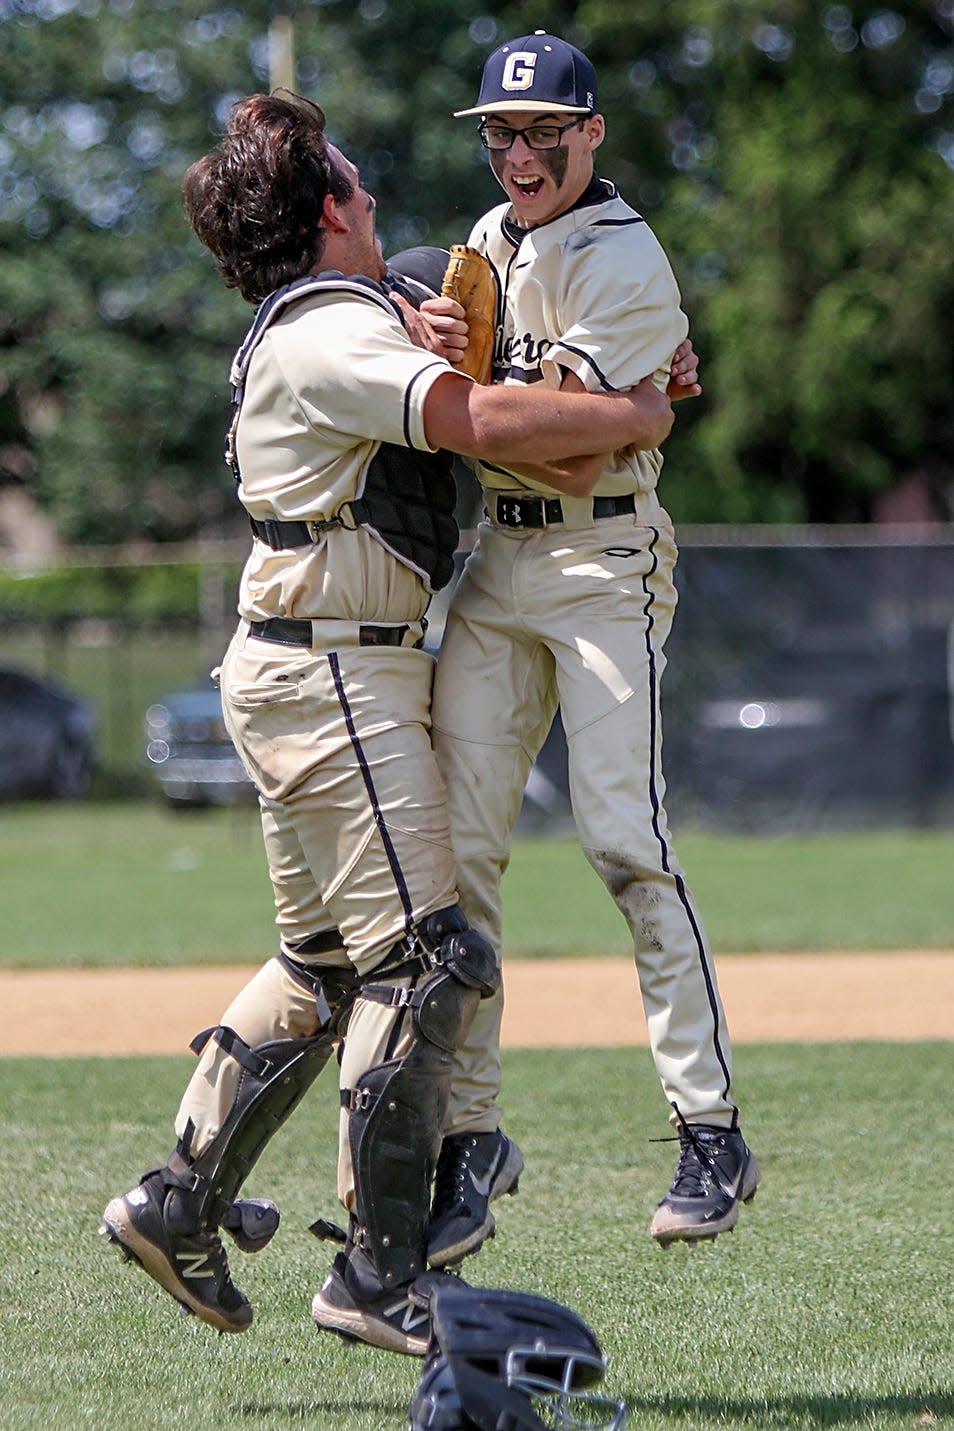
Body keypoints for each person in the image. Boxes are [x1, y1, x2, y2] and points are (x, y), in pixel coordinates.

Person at [99, 92, 676, 1356]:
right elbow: (482, 424)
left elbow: (460, 382)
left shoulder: (328, 327)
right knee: (429, 962)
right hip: (335, 677)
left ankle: (178, 1200)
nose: (375, 200)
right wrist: (636, 414)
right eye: (354, 186)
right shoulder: (326, 333)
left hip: (296, 668)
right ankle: (379, 1274)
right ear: (327, 215)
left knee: (324, 967)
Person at [426, 32, 761, 1268]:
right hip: (497, 566)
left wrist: (441, 398)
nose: (519, 152)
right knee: (454, 861)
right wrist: (474, 393)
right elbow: (526, 419)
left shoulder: (624, 257)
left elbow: (570, 455)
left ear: (591, 133)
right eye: (501, 133)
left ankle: (710, 1129)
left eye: (542, 132)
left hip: (602, 560)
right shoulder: (488, 234)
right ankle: (471, 1140)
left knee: (625, 836)